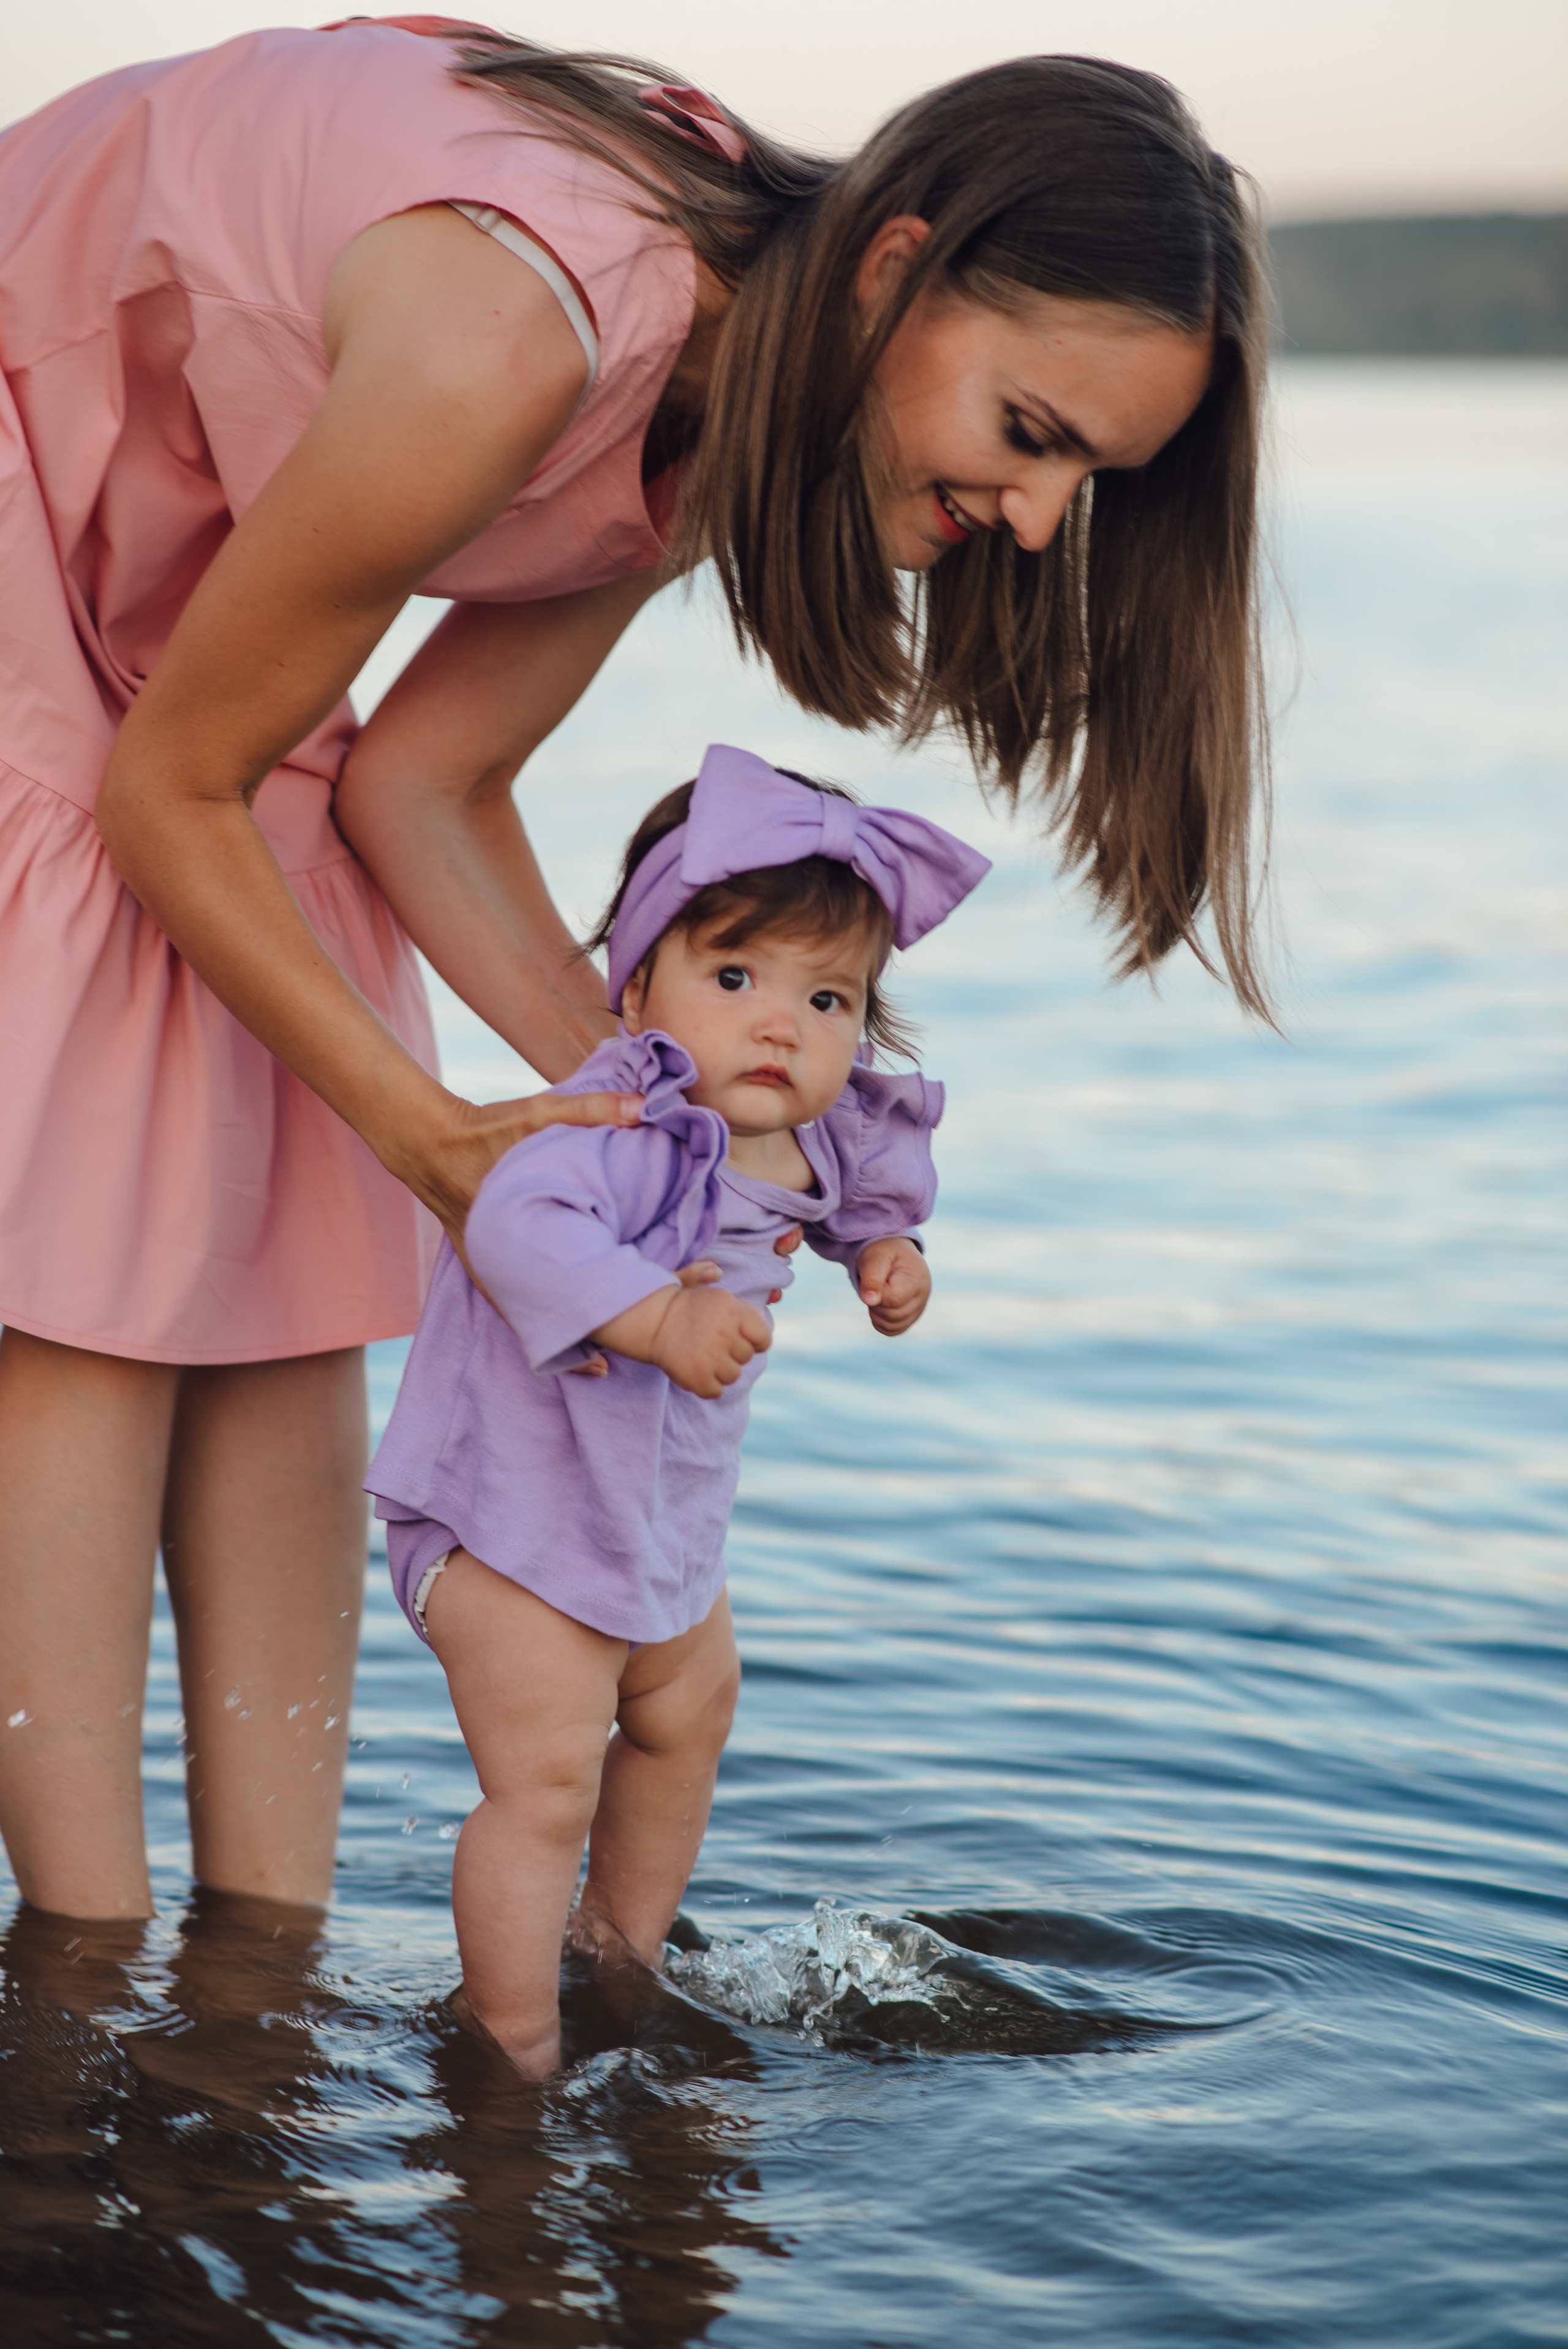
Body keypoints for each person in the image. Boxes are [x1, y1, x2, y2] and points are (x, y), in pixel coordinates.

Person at [0, 17, 1269, 1924]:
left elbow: (421, 792)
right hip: (31, 492)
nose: (1034, 521)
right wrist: (442, 1137)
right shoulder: (516, 341)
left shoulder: (720, 402)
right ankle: (87, 1970)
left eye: (1089, 483)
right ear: (895, 268)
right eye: (1031, 435)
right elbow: (171, 789)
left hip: (163, 581)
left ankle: (261, 1968)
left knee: (295, 1146)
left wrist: (661, 1116)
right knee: (127, 1163)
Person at [365, 746, 988, 2076]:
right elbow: (513, 1230)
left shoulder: (814, 1141)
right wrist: (655, 1319)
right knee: (543, 1784)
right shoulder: (604, 1126)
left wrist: (890, 1259)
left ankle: (619, 1954)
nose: (782, 1025)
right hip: (507, 1525)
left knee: (686, 1717)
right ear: (637, 982)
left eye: (828, 998)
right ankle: (509, 2030)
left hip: (653, 1529)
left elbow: (864, 1197)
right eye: (735, 978)